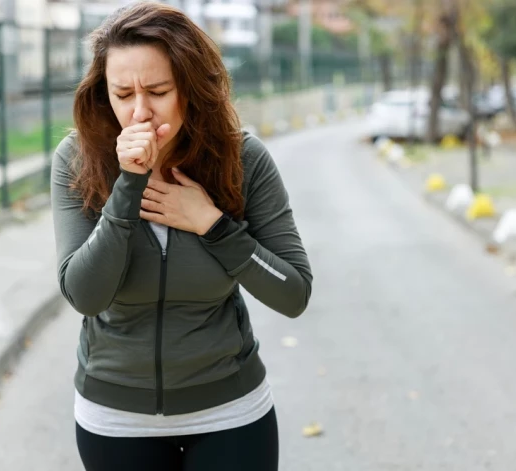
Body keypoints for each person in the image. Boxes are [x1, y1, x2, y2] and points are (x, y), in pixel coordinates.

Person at [50, 1, 313, 470]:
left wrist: (213, 225)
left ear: (190, 88)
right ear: (101, 93)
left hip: (231, 414)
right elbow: (86, 294)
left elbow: (293, 293)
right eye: (122, 93)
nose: (139, 111)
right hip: (115, 420)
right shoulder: (78, 159)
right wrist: (128, 184)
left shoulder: (243, 159)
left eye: (157, 90)